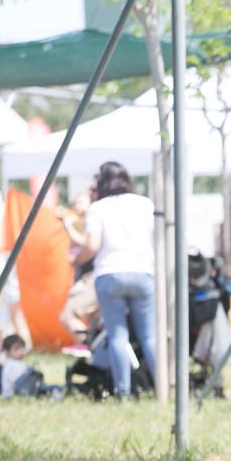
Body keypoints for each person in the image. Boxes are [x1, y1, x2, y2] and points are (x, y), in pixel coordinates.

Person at [75, 161, 158, 397]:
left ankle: (123, 391)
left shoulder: (98, 208)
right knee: (149, 336)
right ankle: (164, 387)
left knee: (117, 336)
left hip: (109, 273)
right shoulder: (144, 204)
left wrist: (77, 260)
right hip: (143, 271)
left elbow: (92, 245)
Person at [58, 187, 99, 351]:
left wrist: (68, 226)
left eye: (81, 201)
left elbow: (87, 244)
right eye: (75, 202)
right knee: (89, 316)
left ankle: (89, 346)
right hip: (85, 275)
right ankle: (91, 346)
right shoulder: (78, 220)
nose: (77, 205)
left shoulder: (92, 219)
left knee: (68, 314)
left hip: (92, 276)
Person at [1, 334, 62, 398]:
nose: (21, 351)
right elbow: (20, 383)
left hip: (22, 391)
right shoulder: (10, 366)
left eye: (23, 348)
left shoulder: (17, 363)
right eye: (17, 349)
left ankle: (56, 391)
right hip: (14, 395)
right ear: (7, 351)